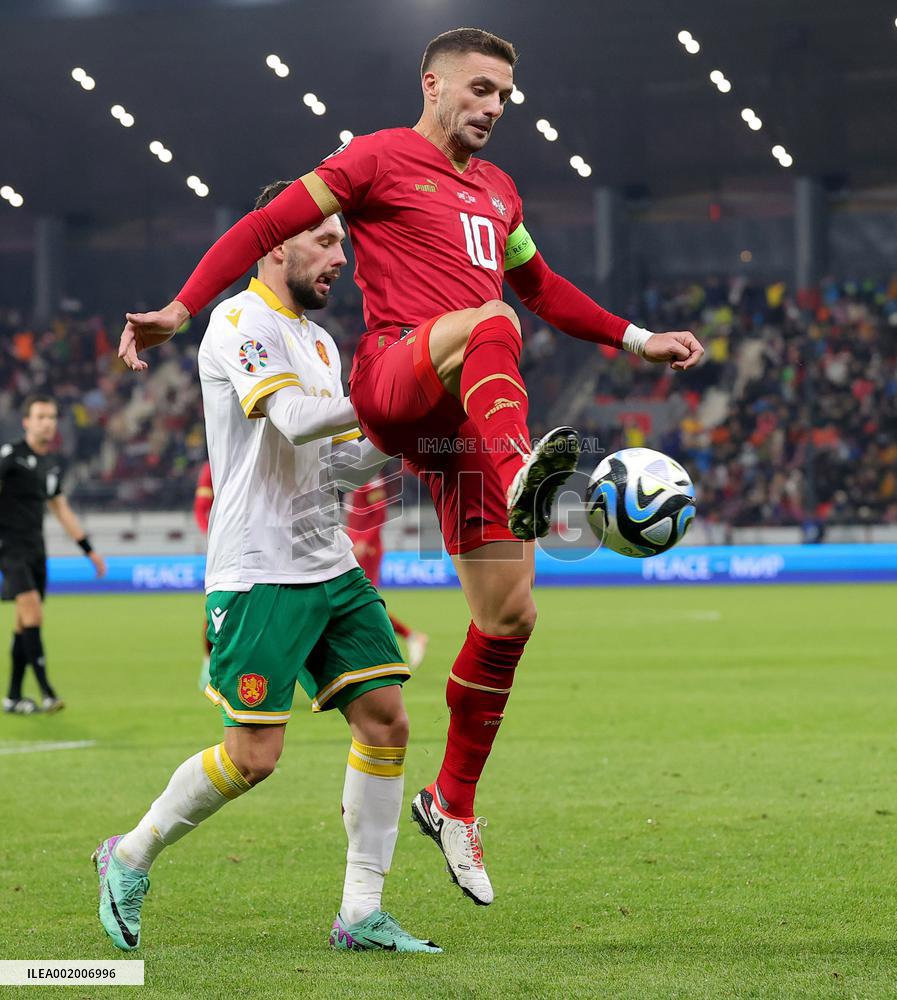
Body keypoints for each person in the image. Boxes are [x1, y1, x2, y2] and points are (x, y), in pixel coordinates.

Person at [116, 27, 704, 906]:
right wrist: (181, 305)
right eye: (479, 88)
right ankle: (522, 471)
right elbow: (267, 225)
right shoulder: (374, 159)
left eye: (504, 95)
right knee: (492, 320)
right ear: (432, 84)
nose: (493, 107)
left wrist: (635, 338)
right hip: (396, 371)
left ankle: (451, 802)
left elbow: (543, 287)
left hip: (460, 420)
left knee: (509, 615)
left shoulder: (498, 192)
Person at [93, 184, 439, 955]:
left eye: (342, 242)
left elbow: (340, 464)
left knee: (385, 719)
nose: (341, 257)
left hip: (329, 562)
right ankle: (130, 854)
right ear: (277, 241)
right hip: (259, 571)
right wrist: (390, 394)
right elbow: (292, 418)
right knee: (255, 757)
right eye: (325, 241)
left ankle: (360, 912)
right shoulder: (237, 323)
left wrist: (405, 432)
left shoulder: (320, 343)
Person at [1, 394, 106, 714]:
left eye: (51, 417)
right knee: (33, 615)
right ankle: (47, 692)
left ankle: (13, 697)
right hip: (10, 548)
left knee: (23, 624)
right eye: (40, 417)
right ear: (26, 422)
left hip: (36, 549)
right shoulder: (11, 456)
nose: (47, 423)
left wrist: (88, 550)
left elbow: (60, 508)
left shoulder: (51, 464)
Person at [345, 472, 429, 670]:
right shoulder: (352, 478)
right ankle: (407, 637)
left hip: (368, 550)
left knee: (362, 600)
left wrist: (365, 541)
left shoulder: (370, 478)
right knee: (356, 600)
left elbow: (380, 514)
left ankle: (408, 637)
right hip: (353, 546)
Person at [193, 460, 213, 690]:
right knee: (216, 608)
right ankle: (208, 662)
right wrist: (212, 536)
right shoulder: (213, 466)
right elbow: (201, 508)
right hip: (227, 550)